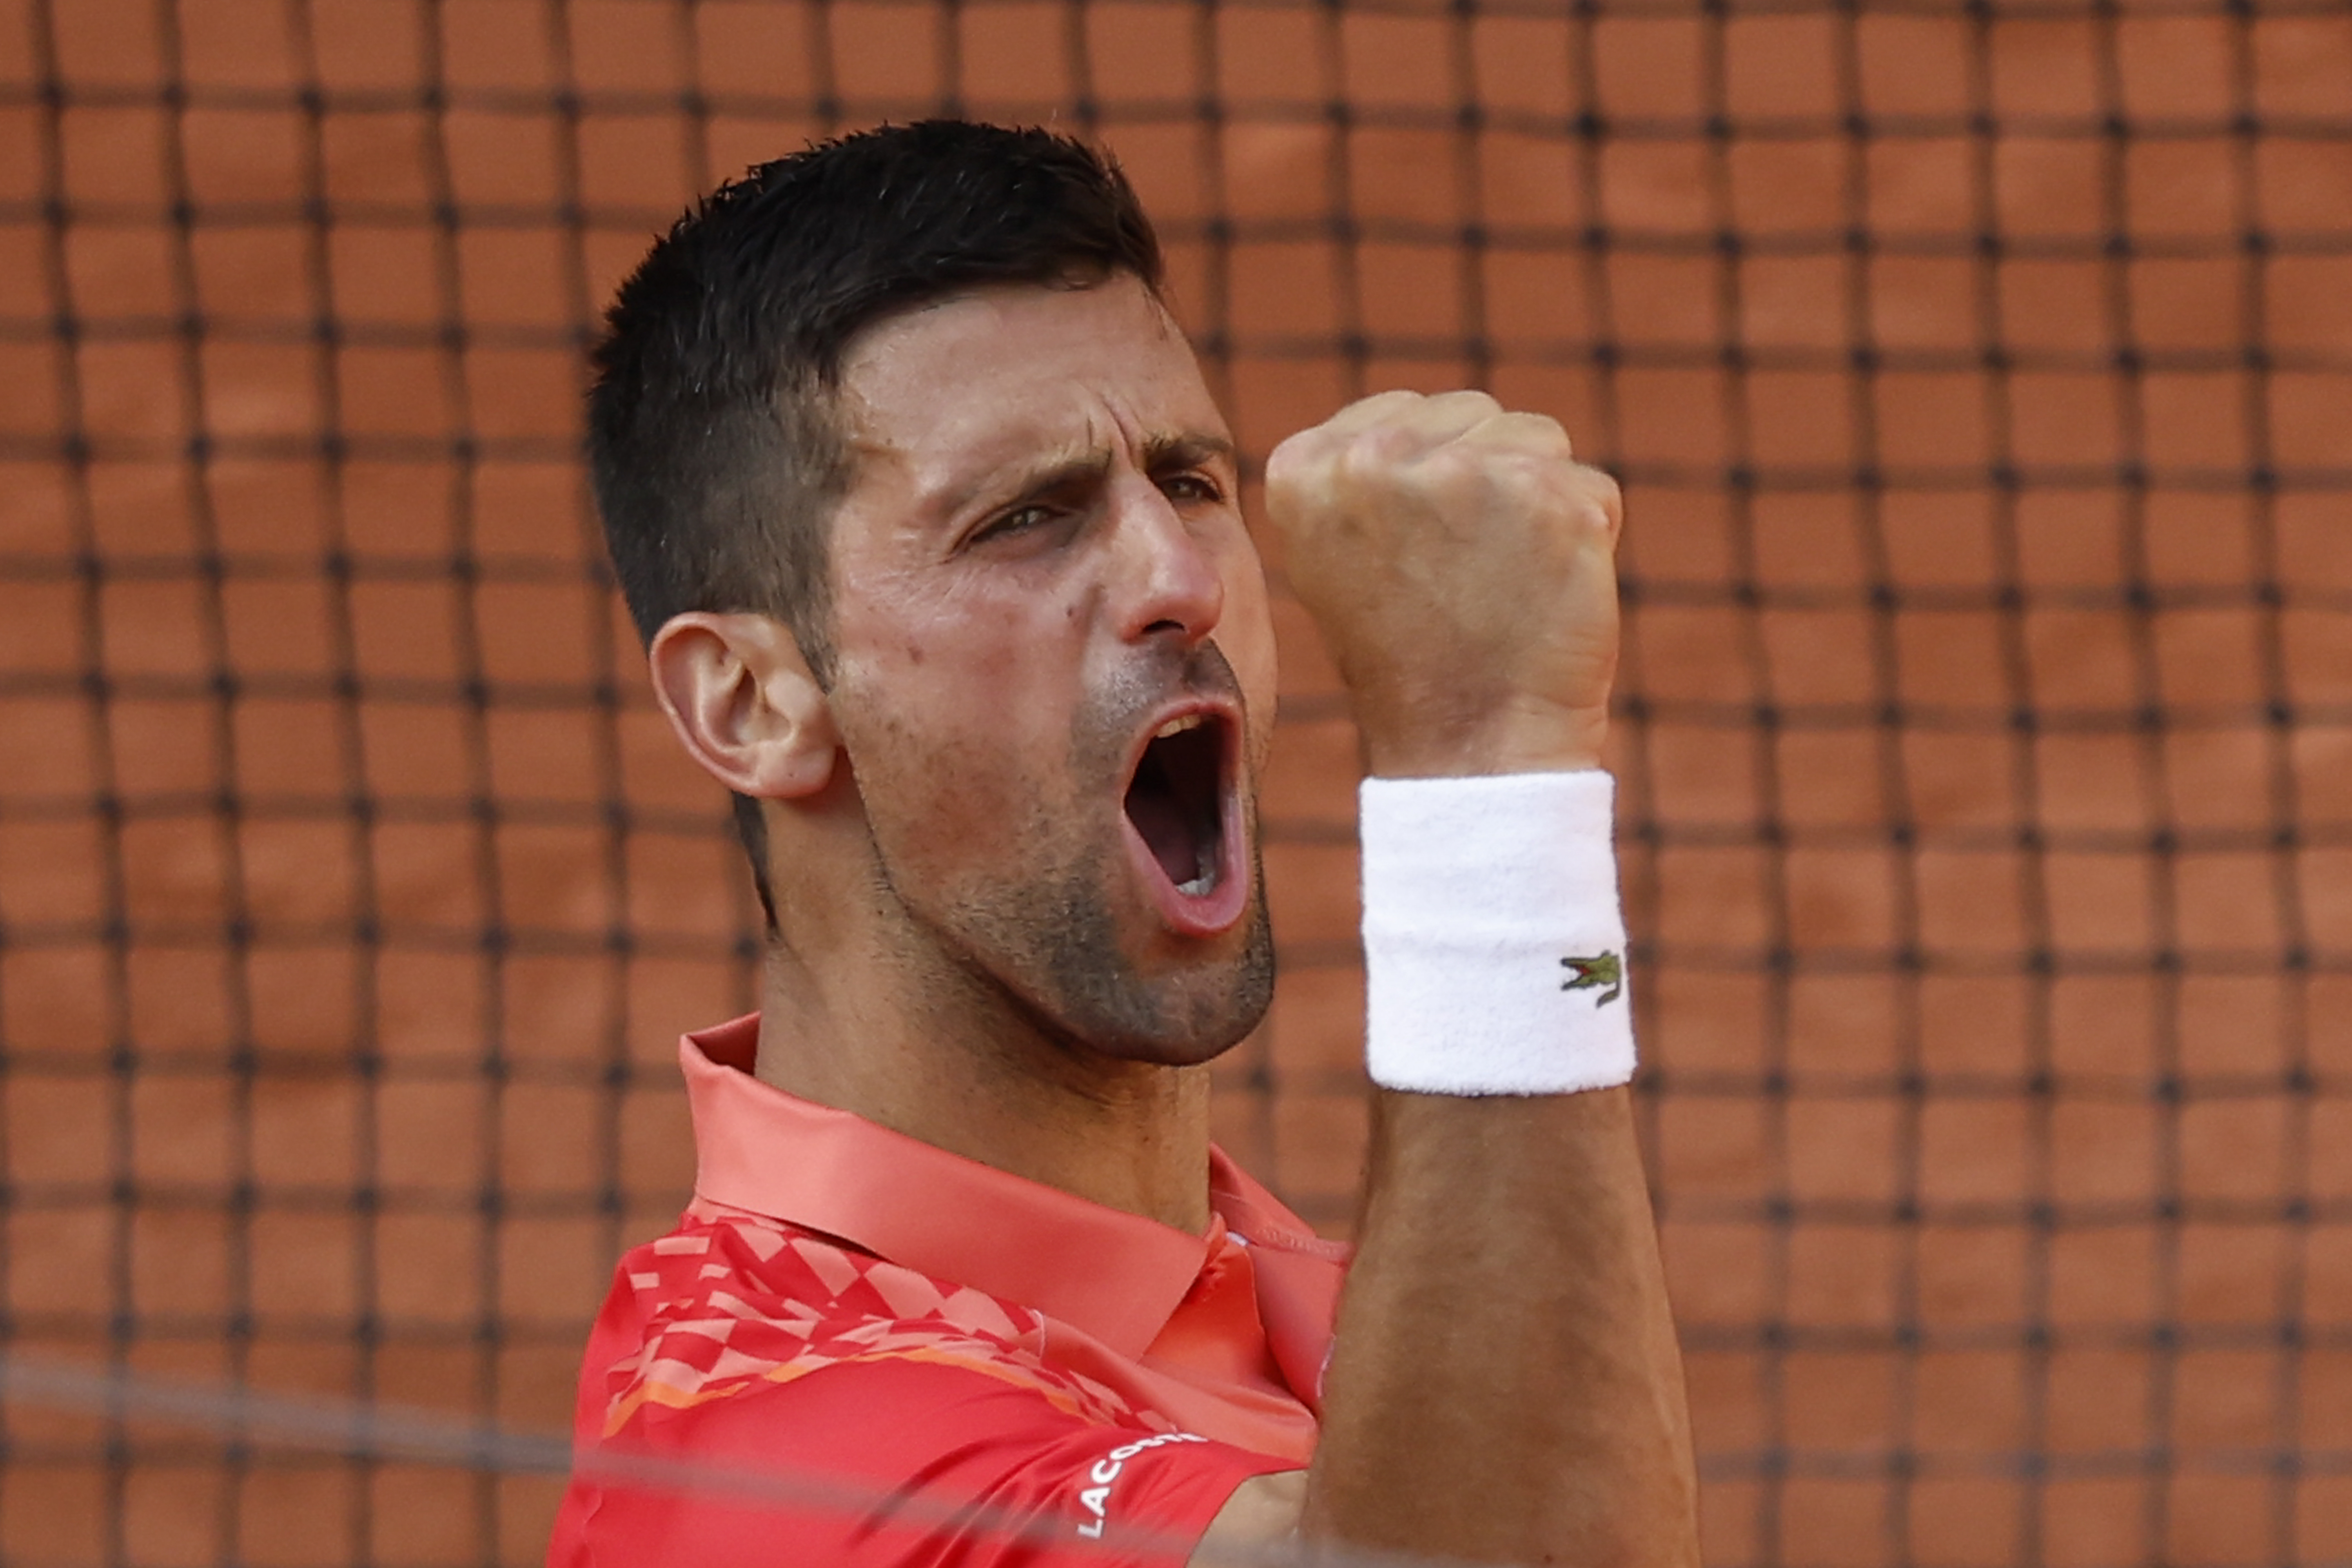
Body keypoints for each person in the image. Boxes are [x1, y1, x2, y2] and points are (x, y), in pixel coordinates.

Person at [548, 120, 1697, 1568]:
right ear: (755, 703)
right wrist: (1484, 757)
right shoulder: (773, 1452)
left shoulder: (1272, 1281)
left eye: (1193, 481)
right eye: (1025, 521)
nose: (1181, 579)